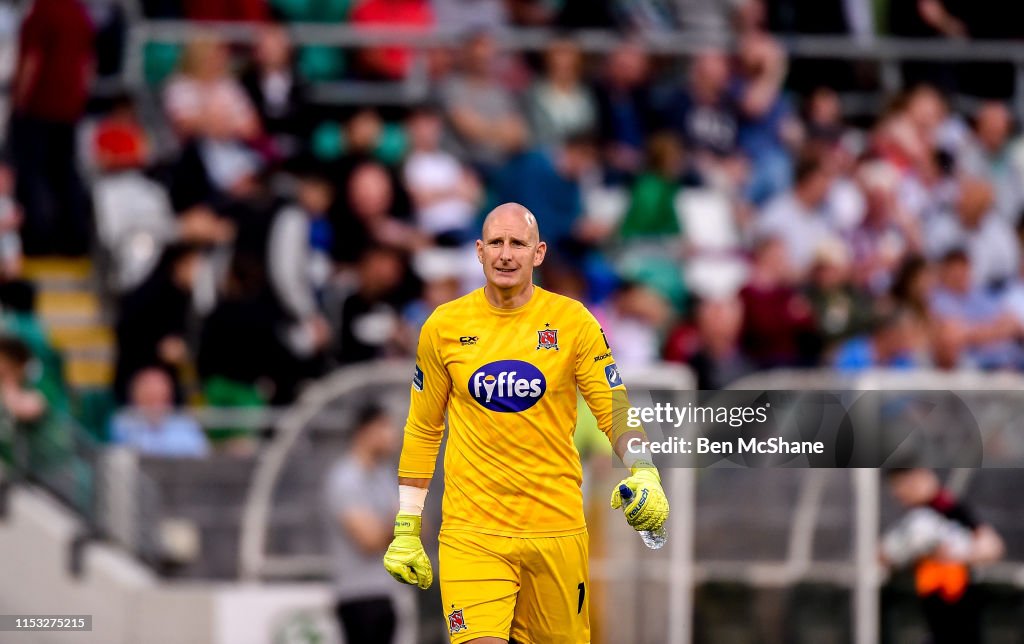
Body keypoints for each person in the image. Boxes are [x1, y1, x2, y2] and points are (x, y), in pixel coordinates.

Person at [381, 203, 670, 643]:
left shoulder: (574, 323)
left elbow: (613, 406)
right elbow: (423, 429)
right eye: (496, 242)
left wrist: (644, 468)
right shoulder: (442, 327)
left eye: (518, 243)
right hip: (473, 533)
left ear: (539, 253)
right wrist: (406, 525)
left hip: (555, 530)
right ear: (479, 251)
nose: (506, 253)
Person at [881, 468, 1004, 644]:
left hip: (959, 617)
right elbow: (887, 552)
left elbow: (993, 547)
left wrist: (952, 552)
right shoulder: (915, 516)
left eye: (899, 486)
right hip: (936, 618)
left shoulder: (945, 507)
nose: (896, 494)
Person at [323, 404, 408, 644]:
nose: (391, 435)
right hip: (359, 596)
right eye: (384, 427)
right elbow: (368, 539)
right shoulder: (345, 478)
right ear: (365, 431)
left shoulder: (383, 475)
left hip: (387, 592)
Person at [110, 368, 208, 458]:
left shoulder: (185, 424)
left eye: (160, 396)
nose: (155, 405)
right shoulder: (121, 423)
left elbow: (201, 457)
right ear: (134, 397)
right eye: (149, 397)